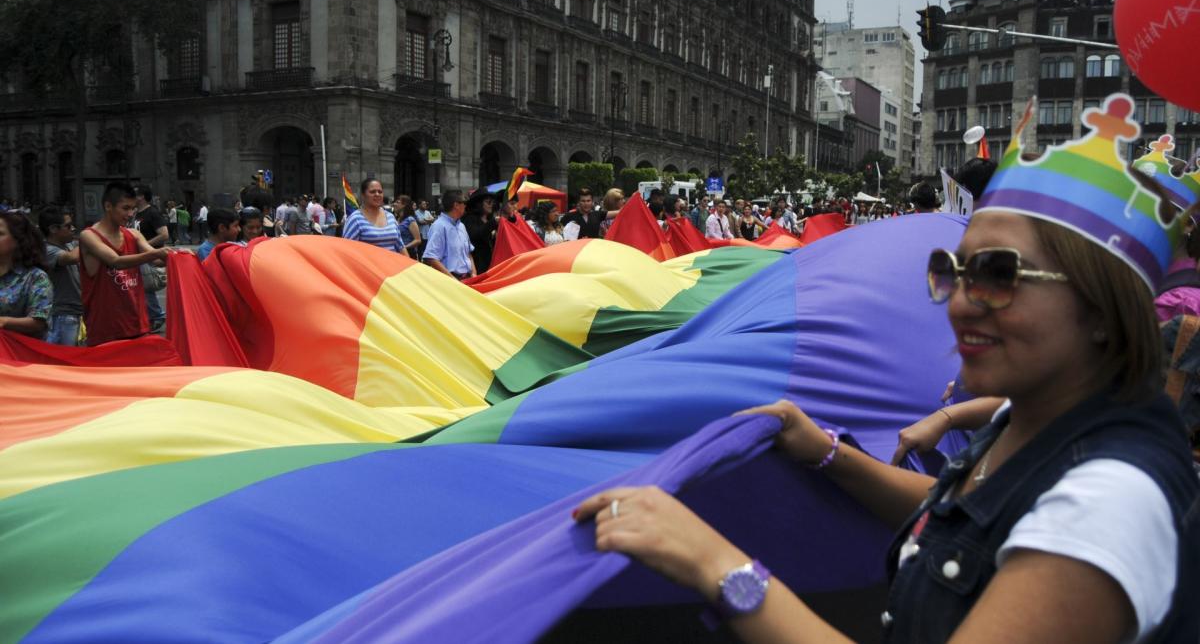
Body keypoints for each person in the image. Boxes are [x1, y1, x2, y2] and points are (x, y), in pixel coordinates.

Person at [575, 94, 1199, 642]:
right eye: (952, 272)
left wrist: (713, 564)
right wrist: (826, 453)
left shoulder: (1108, 503)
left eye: (999, 276)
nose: (959, 302)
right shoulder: (1042, 415)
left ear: (1101, 311)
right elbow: (961, 505)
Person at [78, 181, 169, 345]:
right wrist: (157, 253)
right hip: (105, 329)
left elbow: (156, 260)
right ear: (108, 206)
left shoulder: (133, 234)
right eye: (125, 208)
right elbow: (115, 261)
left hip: (137, 324)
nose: (130, 214)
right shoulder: (89, 236)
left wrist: (178, 257)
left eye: (133, 208)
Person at [0, 211, 53, 339]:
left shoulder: (35, 277)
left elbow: (39, 322)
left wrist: (4, 322)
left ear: (18, 240)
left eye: (0, 234)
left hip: (21, 354)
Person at [38, 207, 84, 346]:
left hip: (77, 312)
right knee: (65, 359)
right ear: (53, 229)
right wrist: (90, 238)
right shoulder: (47, 250)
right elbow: (71, 258)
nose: (73, 228)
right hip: (62, 314)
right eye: (68, 226)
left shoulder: (69, 244)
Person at [134, 185, 169, 330]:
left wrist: (143, 245)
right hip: (141, 255)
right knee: (141, 286)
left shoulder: (152, 213)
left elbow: (164, 234)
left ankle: (156, 314)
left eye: (134, 194)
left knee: (145, 286)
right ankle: (151, 315)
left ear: (142, 196)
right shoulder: (136, 213)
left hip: (150, 255)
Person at [422, 190, 475, 279]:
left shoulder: (462, 226)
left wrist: (473, 273)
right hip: (451, 280)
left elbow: (468, 253)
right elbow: (431, 257)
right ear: (456, 205)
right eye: (464, 202)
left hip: (467, 279)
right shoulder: (439, 226)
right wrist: (452, 279)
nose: (466, 205)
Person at [343, 179, 405, 254]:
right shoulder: (355, 219)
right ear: (363, 195)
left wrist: (412, 265)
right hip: (367, 265)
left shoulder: (390, 217)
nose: (377, 194)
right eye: (372, 192)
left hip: (393, 265)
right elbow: (346, 250)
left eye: (380, 192)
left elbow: (401, 247)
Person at [461, 191, 496, 270]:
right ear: (479, 204)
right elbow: (475, 235)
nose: (491, 205)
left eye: (492, 202)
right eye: (488, 202)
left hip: (490, 263)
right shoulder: (469, 219)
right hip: (476, 264)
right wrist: (492, 224)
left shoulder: (490, 219)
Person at [393, 195, 423, 259]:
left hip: (409, 253)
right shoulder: (396, 219)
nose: (394, 204)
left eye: (397, 202)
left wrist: (404, 247)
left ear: (404, 205)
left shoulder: (410, 219)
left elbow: (418, 240)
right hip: (397, 253)